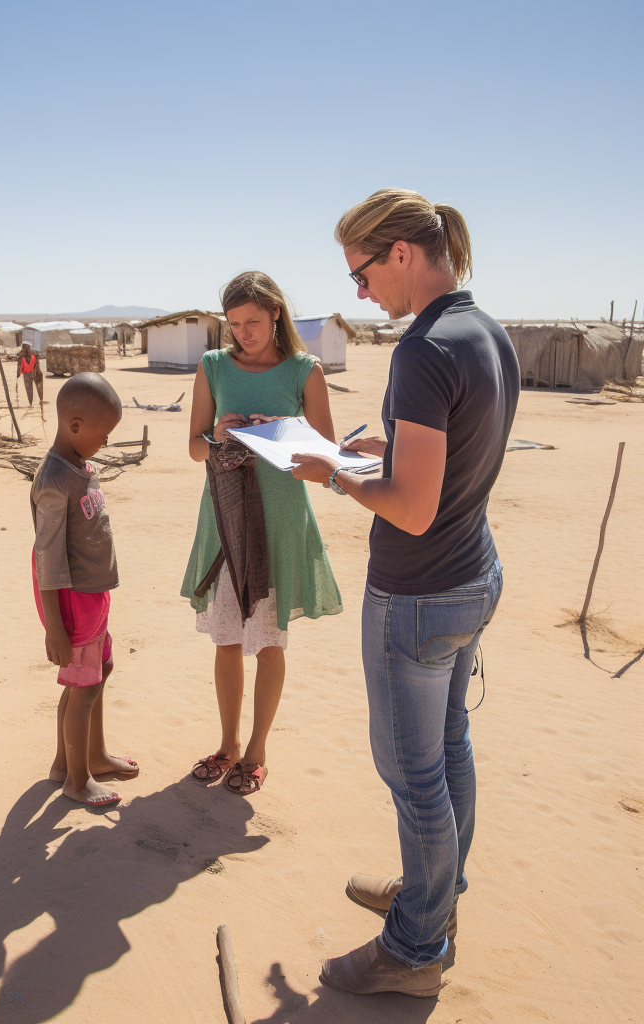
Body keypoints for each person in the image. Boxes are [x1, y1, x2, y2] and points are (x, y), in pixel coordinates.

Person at [289, 189, 519, 997]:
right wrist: (386, 442)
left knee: (412, 772)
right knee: (448, 750)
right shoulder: (484, 330)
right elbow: (461, 449)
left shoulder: (423, 349)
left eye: (360, 273)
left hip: (417, 595)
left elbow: (414, 509)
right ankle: (435, 896)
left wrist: (336, 474)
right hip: (471, 576)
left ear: (399, 254)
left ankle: (416, 949)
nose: (360, 294)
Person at [181, 271, 342, 796]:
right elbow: (195, 449)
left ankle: (256, 751)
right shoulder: (212, 366)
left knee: (268, 644)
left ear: (276, 312)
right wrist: (220, 435)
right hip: (225, 516)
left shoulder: (305, 371)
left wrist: (281, 431)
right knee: (226, 639)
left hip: (280, 520)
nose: (243, 333)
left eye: (252, 321)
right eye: (233, 324)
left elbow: (327, 458)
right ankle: (227, 746)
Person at [30, 372, 138, 808]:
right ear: (75, 426)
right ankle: (77, 780)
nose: (106, 444)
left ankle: (84, 757)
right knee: (84, 687)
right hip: (71, 601)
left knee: (96, 674)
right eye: (103, 435)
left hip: (92, 595)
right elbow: (49, 560)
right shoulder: (55, 482)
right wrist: (54, 628)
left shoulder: (78, 464)